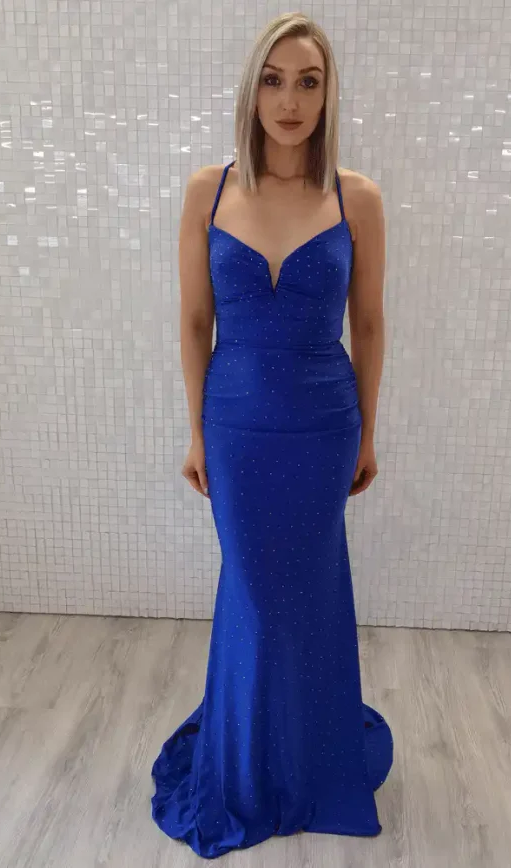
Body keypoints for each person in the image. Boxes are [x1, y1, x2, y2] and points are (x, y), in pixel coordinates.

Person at [150, 11, 394, 860]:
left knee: (309, 593)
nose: (290, 100)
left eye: (309, 82)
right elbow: (194, 320)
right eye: (274, 79)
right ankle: (248, 766)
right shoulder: (208, 191)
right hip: (238, 426)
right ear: (251, 91)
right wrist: (195, 433)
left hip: (323, 426)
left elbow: (369, 324)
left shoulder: (357, 198)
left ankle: (310, 756)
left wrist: (368, 432)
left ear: (328, 96)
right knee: (255, 595)